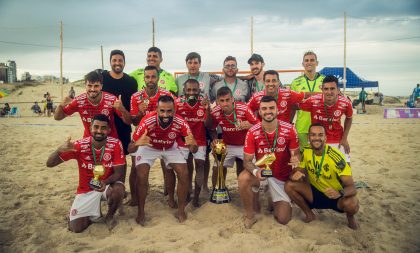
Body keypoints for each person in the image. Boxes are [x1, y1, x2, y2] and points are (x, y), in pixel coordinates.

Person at [46, 114, 126, 233]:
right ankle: (89, 215)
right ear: (90, 127)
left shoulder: (115, 144)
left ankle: (109, 216)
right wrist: (58, 150)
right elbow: (49, 164)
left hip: (105, 186)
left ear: (109, 130)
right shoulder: (79, 146)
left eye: (103, 128)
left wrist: (105, 182)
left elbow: (119, 173)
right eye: (96, 127)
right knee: (76, 228)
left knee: (119, 189)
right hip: (85, 190)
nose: (99, 131)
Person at [128, 95, 197, 225]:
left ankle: (181, 210)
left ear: (174, 110)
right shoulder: (147, 121)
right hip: (149, 146)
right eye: (162, 111)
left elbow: (194, 150)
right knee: (141, 175)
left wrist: (193, 145)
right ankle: (141, 212)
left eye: (169, 111)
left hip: (170, 147)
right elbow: (130, 148)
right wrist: (137, 143)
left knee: (184, 173)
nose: (165, 114)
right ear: (157, 109)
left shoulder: (181, 122)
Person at [239, 96, 300, 228]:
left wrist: (296, 159)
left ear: (278, 110)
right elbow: (247, 161)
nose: (268, 111)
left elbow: (296, 155)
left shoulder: (290, 129)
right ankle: (250, 216)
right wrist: (256, 171)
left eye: (272, 108)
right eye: (264, 109)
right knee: (243, 178)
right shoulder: (252, 132)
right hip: (263, 174)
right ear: (259, 112)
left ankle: (272, 197)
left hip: (281, 178)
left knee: (283, 219)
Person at [285, 123, 359, 229]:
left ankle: (350, 217)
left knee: (352, 203)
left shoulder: (336, 158)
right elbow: (298, 171)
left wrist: (339, 193)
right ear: (308, 137)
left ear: (325, 137)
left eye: (320, 135)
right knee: (289, 185)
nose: (316, 138)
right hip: (315, 193)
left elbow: (352, 187)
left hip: (334, 196)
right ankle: (309, 214)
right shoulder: (306, 150)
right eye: (313, 135)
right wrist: (295, 174)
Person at [175, 51, 221, 193]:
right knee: (187, 160)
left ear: (200, 64)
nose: (193, 65)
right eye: (190, 62)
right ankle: (188, 187)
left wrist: (246, 77)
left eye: (196, 62)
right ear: (186, 64)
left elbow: (227, 78)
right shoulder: (179, 79)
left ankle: (204, 185)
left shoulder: (209, 77)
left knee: (204, 157)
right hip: (186, 120)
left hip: (201, 118)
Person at [128, 65, 174, 206]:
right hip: (143, 137)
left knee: (168, 167)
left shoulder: (167, 95)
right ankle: (135, 198)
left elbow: (173, 116)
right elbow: (134, 121)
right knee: (135, 168)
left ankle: (169, 196)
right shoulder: (136, 97)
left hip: (164, 136)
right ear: (144, 78)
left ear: (158, 78)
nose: (150, 80)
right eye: (147, 77)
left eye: (153, 77)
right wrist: (140, 113)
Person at [206, 87, 259, 187]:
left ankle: (248, 190)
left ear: (232, 99)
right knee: (217, 167)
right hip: (227, 145)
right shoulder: (215, 112)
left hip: (245, 145)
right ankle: (217, 192)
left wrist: (251, 126)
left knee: (250, 169)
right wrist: (215, 139)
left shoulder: (244, 108)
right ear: (217, 101)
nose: (225, 103)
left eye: (227, 100)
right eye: (222, 101)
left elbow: (259, 126)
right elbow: (211, 128)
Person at [54, 70, 131, 139]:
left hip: (110, 141)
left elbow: (128, 122)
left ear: (101, 86)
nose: (92, 89)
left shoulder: (111, 99)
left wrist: (123, 110)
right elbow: (58, 117)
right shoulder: (78, 101)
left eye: (96, 86)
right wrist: (61, 106)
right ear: (85, 85)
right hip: (89, 141)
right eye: (90, 85)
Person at [101, 49, 138, 188]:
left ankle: (120, 187)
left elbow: (131, 107)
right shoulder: (102, 78)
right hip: (103, 124)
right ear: (110, 62)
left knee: (121, 159)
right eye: (114, 60)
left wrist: (122, 108)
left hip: (122, 125)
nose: (117, 63)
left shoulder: (130, 82)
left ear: (124, 62)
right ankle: (103, 186)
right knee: (102, 158)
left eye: (120, 60)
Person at [298, 75, 353, 163]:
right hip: (317, 139)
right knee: (313, 170)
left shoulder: (346, 103)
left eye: (332, 88)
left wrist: (344, 138)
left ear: (338, 90)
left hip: (337, 139)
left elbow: (349, 118)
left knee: (345, 168)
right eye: (326, 89)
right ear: (322, 90)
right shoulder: (313, 100)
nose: (329, 92)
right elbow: (295, 105)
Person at [175, 79, 209, 207]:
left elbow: (209, 125)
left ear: (199, 91)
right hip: (183, 140)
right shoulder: (177, 103)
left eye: (194, 90)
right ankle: (187, 191)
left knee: (200, 165)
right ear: (184, 91)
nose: (191, 92)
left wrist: (207, 109)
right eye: (188, 90)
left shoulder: (204, 103)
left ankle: (196, 196)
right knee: (184, 167)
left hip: (200, 140)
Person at [290, 51, 325, 150]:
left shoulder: (325, 80)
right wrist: (289, 122)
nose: (309, 62)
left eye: (312, 60)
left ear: (317, 63)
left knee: (320, 155)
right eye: (306, 60)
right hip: (302, 127)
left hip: (321, 126)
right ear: (303, 64)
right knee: (304, 158)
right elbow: (292, 106)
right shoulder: (296, 82)